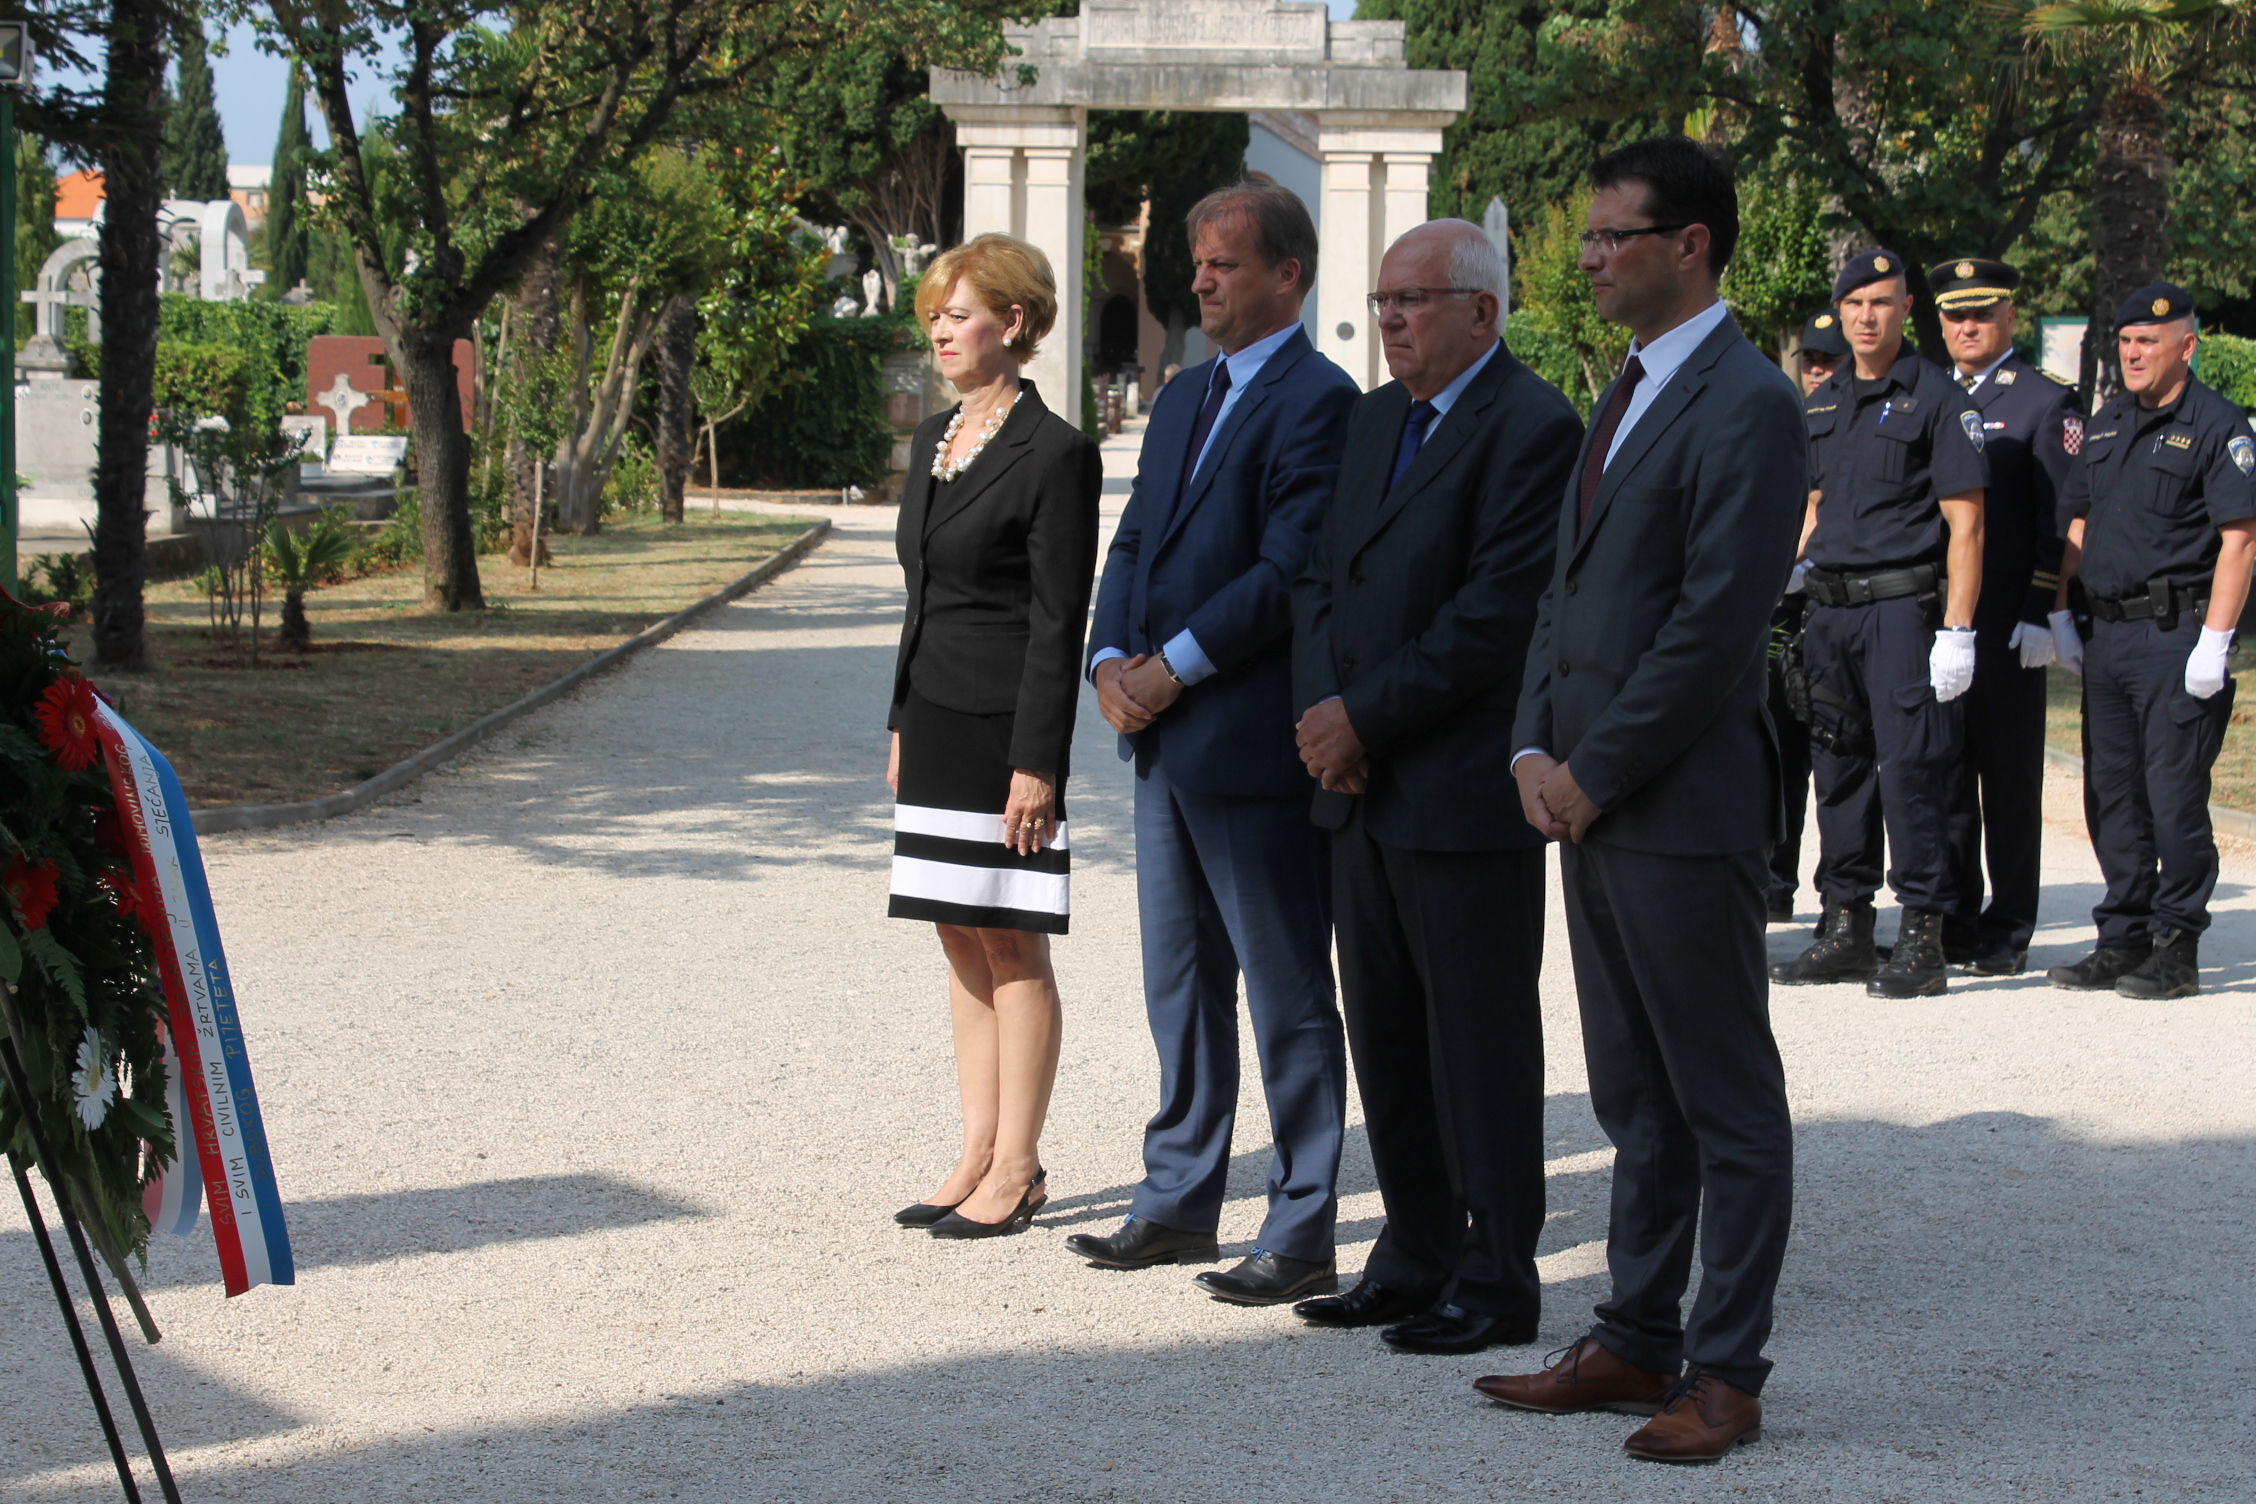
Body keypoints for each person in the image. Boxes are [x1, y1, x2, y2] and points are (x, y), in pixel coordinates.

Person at [1480, 136, 1802, 1465]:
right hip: (1586, 804)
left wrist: (1592, 770)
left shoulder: (1750, 400)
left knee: (1725, 1103)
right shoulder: (1623, 386)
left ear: (1692, 244)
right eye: (1593, 236)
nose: (1594, 257)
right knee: (1634, 1098)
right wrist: (1529, 750)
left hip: (1676, 809)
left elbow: (1714, 626)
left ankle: (1726, 1372)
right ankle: (1633, 1336)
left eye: (1616, 235)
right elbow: (1562, 600)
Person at [1287, 221, 1581, 1355]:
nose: (1392, 319)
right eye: (1383, 300)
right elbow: (1321, 579)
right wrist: (1328, 721)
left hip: (1458, 793)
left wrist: (1361, 719)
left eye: (1413, 299)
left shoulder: (1534, 426)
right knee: (1389, 1038)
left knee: (1480, 1044)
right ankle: (1412, 1255)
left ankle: (1497, 1278)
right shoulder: (1374, 420)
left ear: (1482, 311)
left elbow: (1495, 617)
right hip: (1359, 789)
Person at [1067, 182, 1359, 1306]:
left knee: (1286, 989)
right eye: (1197, 262)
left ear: (1288, 275)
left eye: (1224, 264)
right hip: (1161, 744)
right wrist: (1106, 660)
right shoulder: (1186, 393)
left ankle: (1302, 1221)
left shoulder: (1321, 400)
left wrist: (1172, 667)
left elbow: (1288, 570)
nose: (1200, 281)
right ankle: (1178, 1197)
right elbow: (1134, 540)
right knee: (1179, 984)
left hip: (1247, 743)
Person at [884, 234, 1103, 1240]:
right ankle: (975, 1148)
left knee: (1011, 939)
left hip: (1004, 735)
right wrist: (900, 718)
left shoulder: (1055, 452)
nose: (940, 331)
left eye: (959, 314)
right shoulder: (935, 436)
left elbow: (1059, 621)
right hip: (934, 721)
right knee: (956, 931)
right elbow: (921, 597)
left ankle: (1018, 1164)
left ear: (1013, 322)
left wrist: (1038, 764)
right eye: (934, 315)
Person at [1770, 248, 1989, 997]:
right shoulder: (1823, 401)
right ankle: (1847, 926)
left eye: (1882, 302)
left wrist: (1957, 629)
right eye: (1856, 303)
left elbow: (1967, 525)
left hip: (1901, 611)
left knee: (1912, 771)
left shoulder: (1936, 397)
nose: (1867, 316)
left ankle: (1923, 933)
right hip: (1829, 612)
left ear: (1905, 309)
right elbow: (1811, 507)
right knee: (1837, 770)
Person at [2046, 284, 2256, 998]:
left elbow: (2240, 540)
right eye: (2127, 341)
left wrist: (2215, 643)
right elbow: (2078, 520)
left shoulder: (2217, 425)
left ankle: (2176, 946)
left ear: (2186, 347)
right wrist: (2061, 610)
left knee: (2172, 797)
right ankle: (2123, 937)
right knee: (2112, 796)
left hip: (2175, 638)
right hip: (2108, 637)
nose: (2133, 354)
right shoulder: (2106, 424)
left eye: (2149, 342)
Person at [1930, 258, 2082, 975]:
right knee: (1947, 774)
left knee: (2009, 782)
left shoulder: (2044, 401)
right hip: (1941, 618)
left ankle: (2009, 924)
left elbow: (2063, 514)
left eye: (1981, 314)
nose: (1968, 327)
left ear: (2010, 317)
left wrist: (2043, 608)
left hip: (2007, 623)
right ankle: (1956, 918)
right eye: (1956, 316)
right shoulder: (1932, 394)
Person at [1766, 309, 1853, 924]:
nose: (1818, 371)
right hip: (1783, 609)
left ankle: (1840, 897)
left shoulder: (1855, 423)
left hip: (1833, 603)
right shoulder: (1787, 418)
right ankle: (1775, 885)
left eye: (1830, 361)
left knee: (1837, 755)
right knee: (1780, 752)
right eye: (1812, 362)